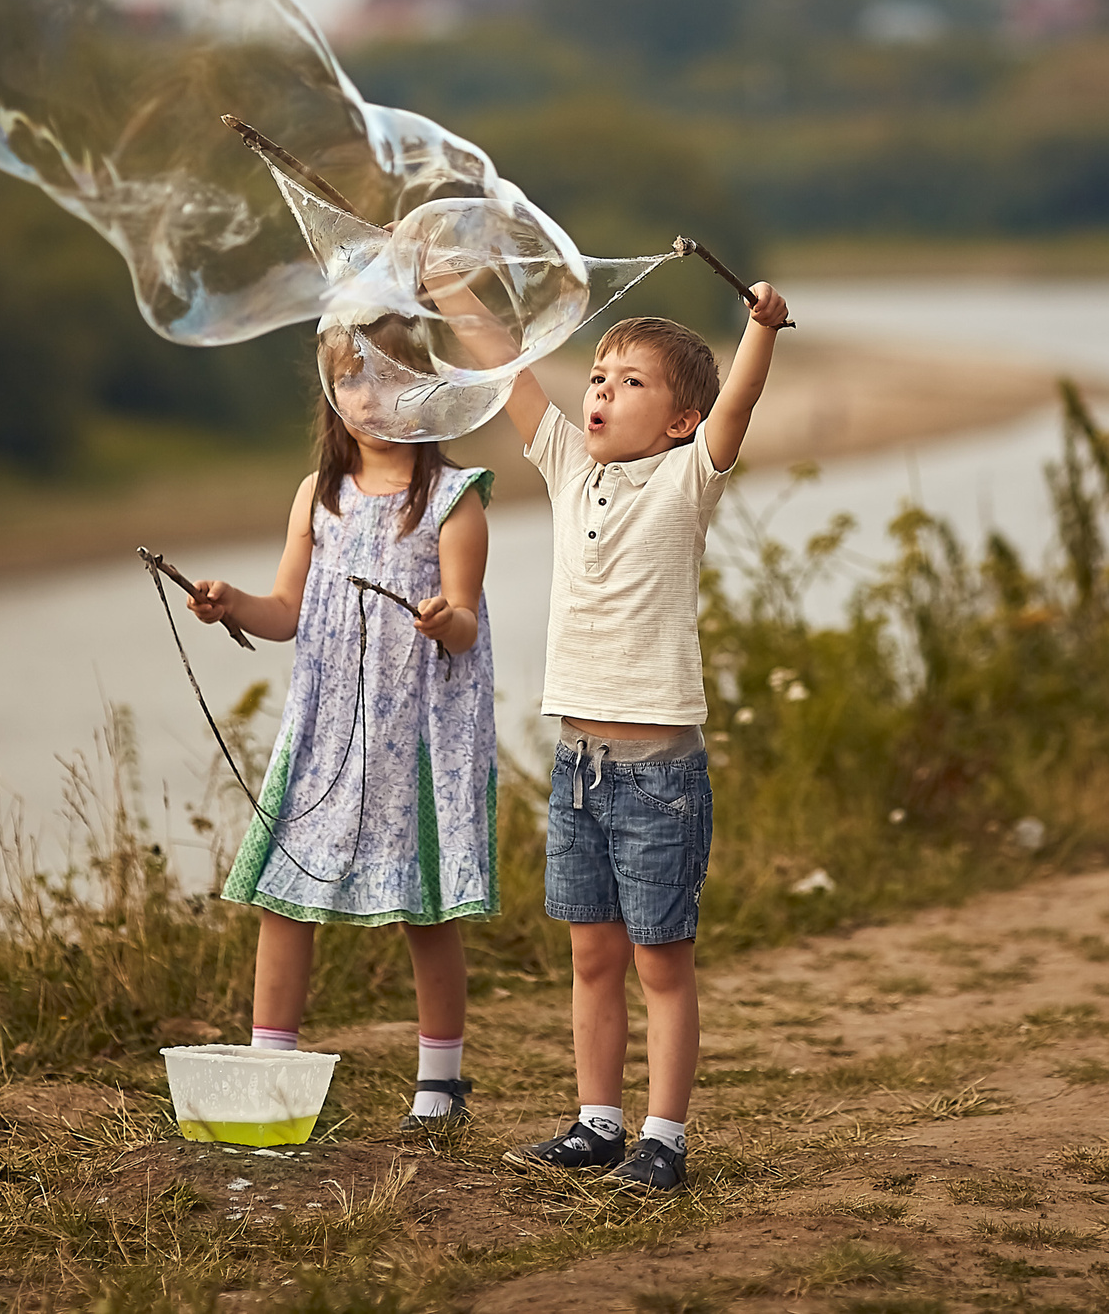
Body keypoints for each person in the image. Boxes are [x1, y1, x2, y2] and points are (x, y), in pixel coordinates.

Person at [495, 286, 790, 1194]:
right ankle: (597, 1122)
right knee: (591, 957)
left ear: (679, 421)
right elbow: (506, 368)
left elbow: (737, 407)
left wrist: (760, 329)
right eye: (597, 376)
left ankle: (663, 1137)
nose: (600, 392)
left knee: (661, 960)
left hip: (658, 776)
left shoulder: (684, 479)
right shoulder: (564, 468)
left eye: (629, 382)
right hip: (577, 770)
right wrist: (445, 286)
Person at [185, 383, 497, 1131]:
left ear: (431, 396)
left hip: (414, 731)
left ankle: (440, 1084)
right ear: (332, 394)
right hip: (327, 729)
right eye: (355, 378)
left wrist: (443, 619)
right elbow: (286, 611)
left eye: (395, 378)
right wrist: (232, 604)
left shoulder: (454, 500)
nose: (374, 396)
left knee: (425, 905)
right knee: (285, 894)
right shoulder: (317, 496)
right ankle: (271, 1074)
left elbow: (465, 623)